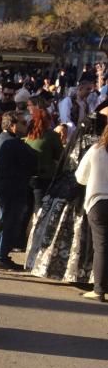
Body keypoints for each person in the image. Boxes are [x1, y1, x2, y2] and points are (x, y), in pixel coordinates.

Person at [0, 112, 37, 271]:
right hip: (12, 186)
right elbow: (32, 159)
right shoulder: (12, 143)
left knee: (3, 219)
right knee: (9, 223)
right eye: (23, 123)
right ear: (12, 125)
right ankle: (2, 257)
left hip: (3, 185)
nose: (26, 126)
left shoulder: (1, 139)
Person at [74, 121, 108, 302]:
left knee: (101, 246)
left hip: (98, 201)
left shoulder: (96, 150)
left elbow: (80, 176)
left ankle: (99, 289)